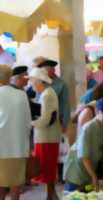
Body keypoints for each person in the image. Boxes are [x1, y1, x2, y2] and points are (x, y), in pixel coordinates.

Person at [28, 67, 60, 200]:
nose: (31, 84)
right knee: (49, 170)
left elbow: (45, 120)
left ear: (39, 81)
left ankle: (50, 196)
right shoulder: (47, 93)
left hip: (46, 138)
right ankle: (51, 196)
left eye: (33, 81)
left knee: (47, 170)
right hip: (47, 138)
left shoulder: (47, 94)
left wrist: (29, 123)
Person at [0, 65, 31, 200]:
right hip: (18, 146)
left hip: (1, 146)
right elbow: (27, 122)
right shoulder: (22, 94)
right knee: (15, 184)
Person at [38, 59, 70, 132]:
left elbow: (66, 105)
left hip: (56, 120)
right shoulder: (39, 83)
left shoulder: (61, 84)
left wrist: (64, 123)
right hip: (41, 120)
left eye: (47, 70)